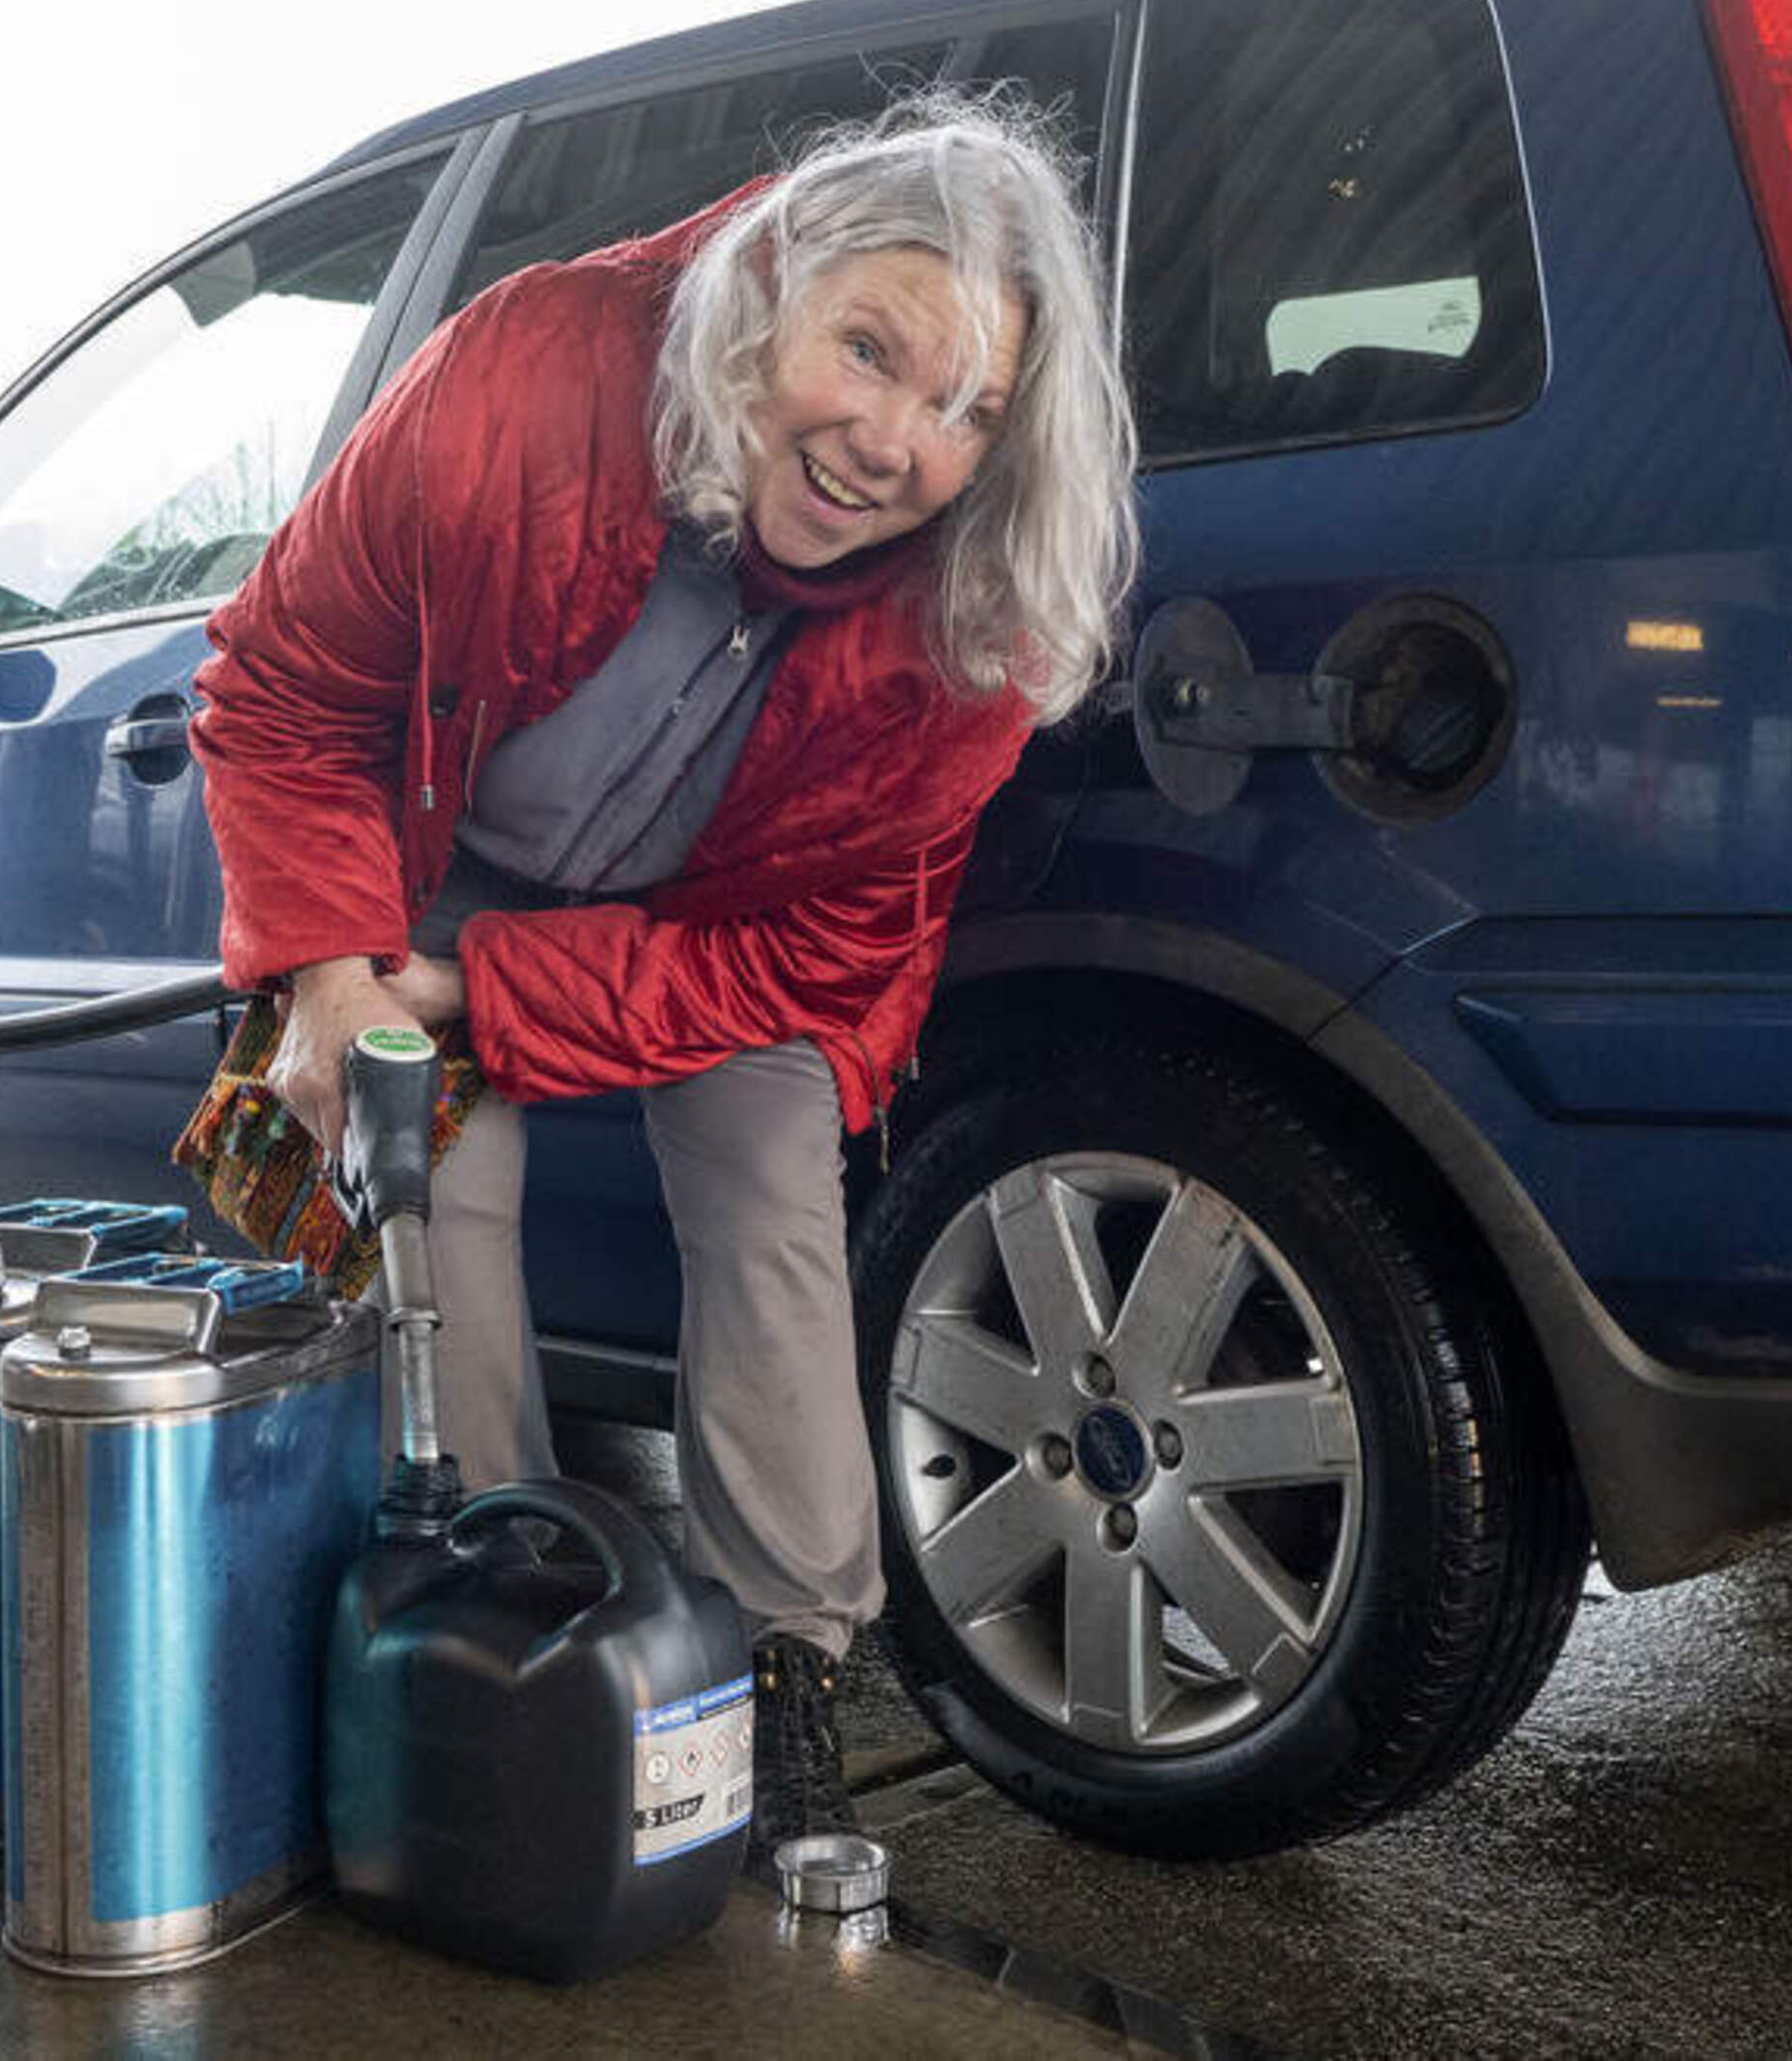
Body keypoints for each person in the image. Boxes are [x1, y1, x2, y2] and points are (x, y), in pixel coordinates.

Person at [188, 94, 1137, 1847]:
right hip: (435, 864)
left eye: (968, 412)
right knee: (427, 1171)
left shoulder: (983, 622)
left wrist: (502, 993)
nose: (895, 447)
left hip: (738, 931)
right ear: (768, 277)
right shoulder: (530, 381)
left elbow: (820, 950)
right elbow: (283, 690)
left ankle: (788, 1664)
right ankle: (499, 1611)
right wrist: (334, 977)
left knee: (773, 1186)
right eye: (870, 351)